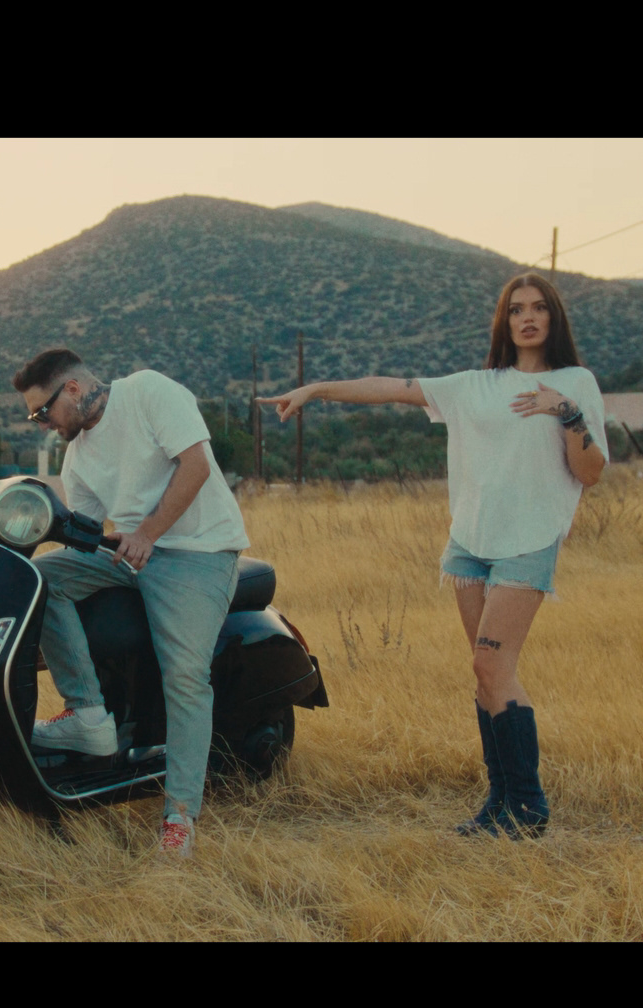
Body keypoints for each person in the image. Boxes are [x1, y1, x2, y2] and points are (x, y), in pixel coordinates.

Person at [259, 273, 605, 837]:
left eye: (539, 307)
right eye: (516, 309)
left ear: (554, 317)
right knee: (485, 674)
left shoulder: (575, 382)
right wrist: (317, 389)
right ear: (504, 321)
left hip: (528, 541)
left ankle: (528, 805)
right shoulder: (474, 385)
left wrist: (566, 411)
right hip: (469, 544)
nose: (528, 317)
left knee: (493, 665)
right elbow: (393, 388)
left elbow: (590, 472)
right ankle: (500, 803)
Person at [13, 348, 250, 859]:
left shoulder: (148, 391)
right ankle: (88, 715)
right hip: (129, 553)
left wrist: (146, 534)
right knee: (40, 579)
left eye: (42, 412)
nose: (43, 425)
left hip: (200, 552)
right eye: (35, 418)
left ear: (73, 388)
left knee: (185, 677)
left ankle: (179, 819)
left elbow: (196, 467)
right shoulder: (76, 458)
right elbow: (85, 536)